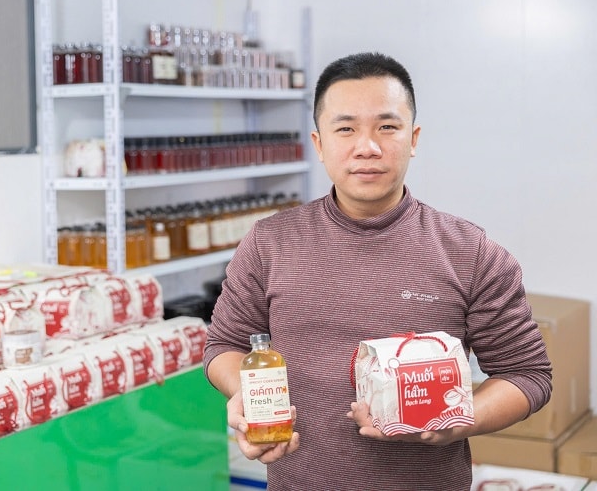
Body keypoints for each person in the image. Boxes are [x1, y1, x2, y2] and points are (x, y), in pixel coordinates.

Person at [203, 52, 552, 490]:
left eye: (387, 127)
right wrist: (247, 397)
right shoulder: (270, 242)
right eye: (346, 128)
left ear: (413, 138)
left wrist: (461, 420)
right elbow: (225, 344)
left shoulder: (470, 252)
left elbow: (527, 375)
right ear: (319, 144)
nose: (367, 147)